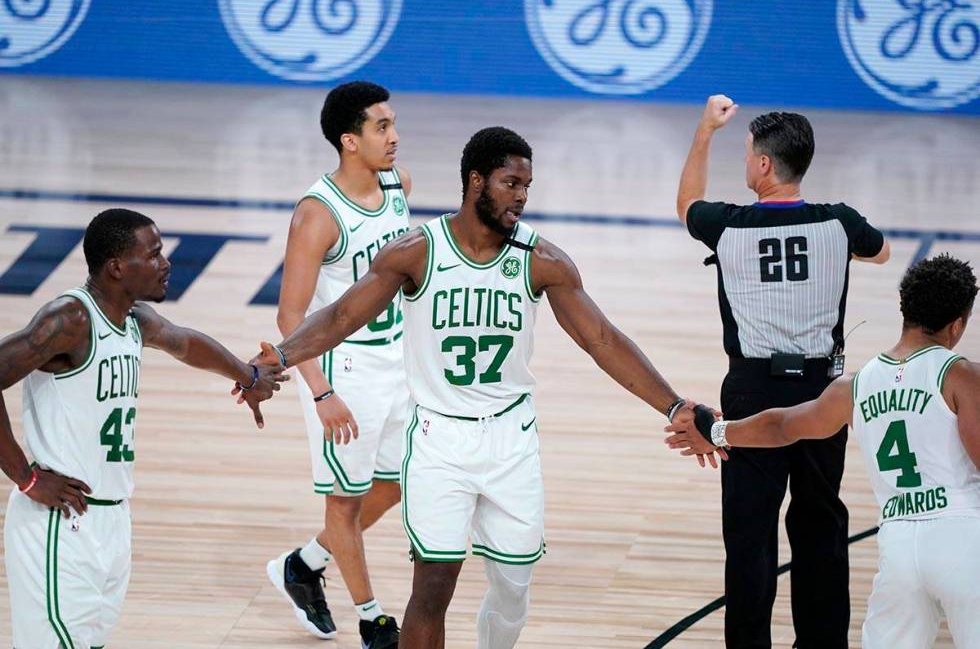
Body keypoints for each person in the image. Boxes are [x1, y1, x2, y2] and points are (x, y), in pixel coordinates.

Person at [250, 126, 718, 649]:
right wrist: (281, 357)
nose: (521, 195)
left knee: (513, 588)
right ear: (476, 181)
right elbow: (339, 316)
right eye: (510, 182)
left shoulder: (542, 260)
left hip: (510, 442)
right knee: (431, 588)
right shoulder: (416, 253)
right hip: (438, 442)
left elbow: (602, 339)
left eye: (527, 185)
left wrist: (674, 404)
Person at [0, 208, 284, 649]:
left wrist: (247, 377)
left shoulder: (134, 320)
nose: (166, 263)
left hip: (112, 519)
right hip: (60, 524)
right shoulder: (70, 320)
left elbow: (185, 342)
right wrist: (26, 476)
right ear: (116, 267)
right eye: (153, 255)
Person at [665, 253, 980, 649]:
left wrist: (717, 431)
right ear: (958, 323)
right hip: (963, 538)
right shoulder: (962, 375)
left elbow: (780, 425)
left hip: (900, 547)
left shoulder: (854, 387)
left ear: (905, 309)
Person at [676, 95, 891, 649]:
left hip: (751, 391)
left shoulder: (726, 226)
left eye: (748, 154)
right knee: (820, 525)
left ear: (765, 166)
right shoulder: (839, 223)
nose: (746, 163)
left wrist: (705, 130)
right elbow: (884, 252)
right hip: (824, 392)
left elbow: (686, 203)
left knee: (750, 539)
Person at [264, 81, 410, 648]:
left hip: (398, 362)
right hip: (344, 370)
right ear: (350, 141)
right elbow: (290, 317)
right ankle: (373, 621)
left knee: (394, 485)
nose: (394, 136)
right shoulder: (317, 214)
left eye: (394, 124)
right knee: (345, 502)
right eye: (382, 127)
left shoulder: (396, 184)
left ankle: (302, 563)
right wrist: (322, 394)